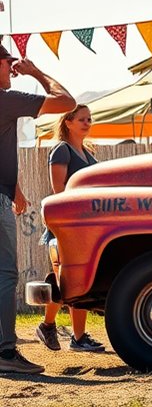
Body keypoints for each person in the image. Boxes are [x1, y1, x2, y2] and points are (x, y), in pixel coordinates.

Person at [0, 46, 76, 375]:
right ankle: (5, 351)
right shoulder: (5, 99)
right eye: (8, 63)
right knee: (5, 275)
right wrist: (35, 72)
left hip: (4, 191)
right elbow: (66, 103)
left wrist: (14, 188)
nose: (12, 68)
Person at [35, 105, 106, 353]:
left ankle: (51, 326)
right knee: (73, 279)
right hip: (67, 226)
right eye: (82, 119)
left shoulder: (88, 153)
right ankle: (76, 337)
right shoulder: (61, 150)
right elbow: (59, 190)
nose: (88, 122)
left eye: (90, 118)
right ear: (68, 122)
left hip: (86, 225)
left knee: (68, 280)